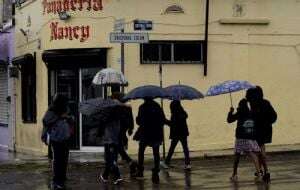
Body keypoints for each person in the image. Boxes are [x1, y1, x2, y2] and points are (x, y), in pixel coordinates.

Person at [42, 94, 73, 190]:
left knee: (64, 159)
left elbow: (70, 118)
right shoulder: (52, 110)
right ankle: (56, 181)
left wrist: (69, 118)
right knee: (58, 160)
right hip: (56, 139)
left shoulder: (66, 108)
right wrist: (60, 116)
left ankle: (62, 177)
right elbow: (46, 120)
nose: (66, 103)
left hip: (65, 138)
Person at [246, 86, 277, 182]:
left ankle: (264, 170)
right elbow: (274, 116)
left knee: (259, 151)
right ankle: (262, 170)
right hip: (266, 129)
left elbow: (251, 119)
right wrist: (268, 123)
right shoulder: (266, 103)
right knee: (260, 149)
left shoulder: (253, 105)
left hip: (258, 130)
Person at [227, 98, 262, 182]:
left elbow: (229, 120)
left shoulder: (239, 112)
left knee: (237, 156)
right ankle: (259, 172)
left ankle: (234, 174)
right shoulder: (251, 113)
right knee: (253, 154)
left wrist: (230, 112)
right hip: (249, 136)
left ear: (240, 105)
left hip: (240, 137)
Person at [133, 97, 166, 184]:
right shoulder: (157, 106)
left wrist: (138, 119)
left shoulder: (142, 107)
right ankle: (156, 170)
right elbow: (162, 119)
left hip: (145, 133)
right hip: (156, 133)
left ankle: (140, 172)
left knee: (141, 151)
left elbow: (139, 121)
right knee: (156, 152)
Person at [99, 93, 124, 185]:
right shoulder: (119, 112)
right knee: (110, 158)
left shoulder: (111, 114)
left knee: (110, 158)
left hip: (110, 139)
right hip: (113, 138)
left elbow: (103, 121)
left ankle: (116, 176)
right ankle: (106, 175)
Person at [160, 100, 191, 170]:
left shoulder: (175, 114)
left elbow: (173, 124)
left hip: (176, 133)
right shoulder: (182, 112)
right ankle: (188, 163)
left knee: (172, 148)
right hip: (183, 133)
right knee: (185, 148)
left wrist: (165, 121)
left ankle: (167, 162)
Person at [114, 92, 138, 177]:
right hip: (122, 129)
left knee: (117, 148)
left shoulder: (118, 107)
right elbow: (131, 118)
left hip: (118, 130)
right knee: (118, 148)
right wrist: (131, 128)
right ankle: (129, 163)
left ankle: (131, 163)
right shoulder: (127, 107)